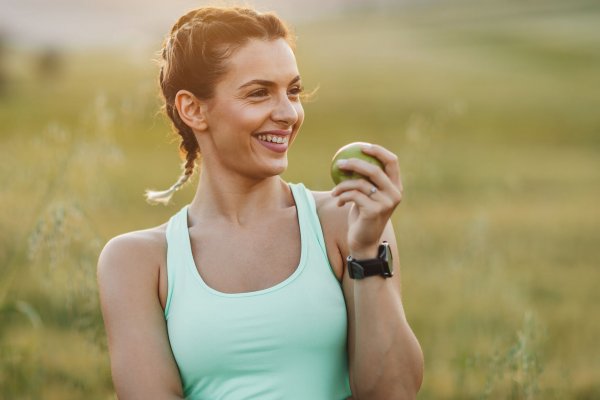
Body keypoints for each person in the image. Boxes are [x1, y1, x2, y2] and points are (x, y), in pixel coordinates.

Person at [97, 6, 423, 400]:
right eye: (258, 93)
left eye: (293, 91)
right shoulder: (136, 262)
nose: (288, 113)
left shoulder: (345, 222)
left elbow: (395, 392)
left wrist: (368, 252)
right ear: (193, 109)